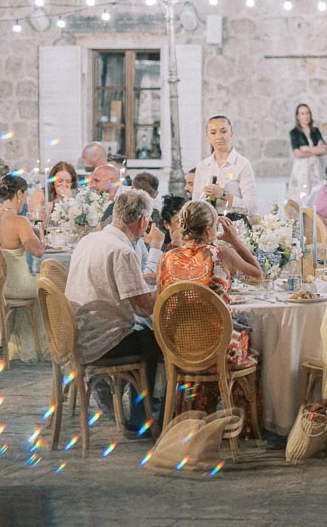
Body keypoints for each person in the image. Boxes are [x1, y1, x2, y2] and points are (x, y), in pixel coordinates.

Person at [65, 188, 160, 434]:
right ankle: (144, 416)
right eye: (148, 221)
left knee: (145, 334)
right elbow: (144, 306)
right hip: (104, 340)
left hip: (78, 332)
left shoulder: (90, 239)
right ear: (142, 221)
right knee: (157, 341)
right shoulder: (122, 251)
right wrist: (169, 284)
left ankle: (144, 402)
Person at [156, 201, 262, 412]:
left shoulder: (165, 259)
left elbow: (161, 304)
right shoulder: (221, 254)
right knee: (256, 343)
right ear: (207, 229)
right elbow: (258, 277)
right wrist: (235, 241)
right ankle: (245, 423)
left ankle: (195, 409)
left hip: (177, 348)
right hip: (217, 351)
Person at [0, 174, 47, 361]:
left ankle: (16, 343)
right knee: (50, 286)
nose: (25, 200)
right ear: (18, 194)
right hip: (14, 286)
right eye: (25, 195)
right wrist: (39, 233)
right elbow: (38, 251)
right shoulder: (20, 221)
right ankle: (46, 343)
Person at [193, 115, 257, 215]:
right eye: (213, 132)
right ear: (207, 136)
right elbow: (195, 204)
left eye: (223, 131)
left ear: (231, 133)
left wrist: (222, 194)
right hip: (207, 225)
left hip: (234, 224)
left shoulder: (243, 165)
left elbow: (251, 207)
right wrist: (204, 196)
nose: (219, 137)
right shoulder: (203, 166)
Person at [288, 103, 327, 203]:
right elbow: (297, 153)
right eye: (302, 113)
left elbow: (323, 149)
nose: (306, 116)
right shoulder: (294, 132)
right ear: (298, 116)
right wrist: (315, 150)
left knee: (315, 193)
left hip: (314, 167)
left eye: (307, 113)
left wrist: (307, 149)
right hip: (301, 168)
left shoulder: (315, 131)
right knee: (301, 194)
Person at [29, 161, 78, 227]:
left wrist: (69, 200)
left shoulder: (76, 198)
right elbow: (35, 224)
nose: (64, 185)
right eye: (60, 181)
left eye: (68, 182)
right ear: (53, 182)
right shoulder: (40, 194)